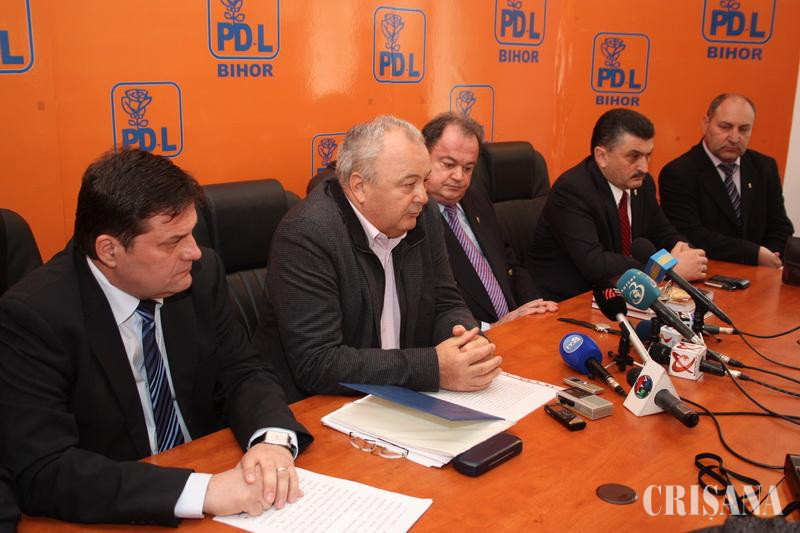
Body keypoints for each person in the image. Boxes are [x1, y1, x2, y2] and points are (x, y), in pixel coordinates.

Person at [0, 149, 312, 526]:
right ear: (109, 250)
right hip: (121, 508)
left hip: (214, 472)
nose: (194, 252)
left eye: (192, 232)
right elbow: (46, 470)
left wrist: (271, 440)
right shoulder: (35, 315)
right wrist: (202, 492)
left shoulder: (201, 275)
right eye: (172, 242)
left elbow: (243, 371)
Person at [255, 115, 501, 396]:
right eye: (409, 184)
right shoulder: (307, 234)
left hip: (405, 391)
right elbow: (318, 362)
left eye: (424, 180)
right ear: (359, 187)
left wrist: (466, 342)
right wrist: (433, 367)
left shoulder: (424, 215)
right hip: (324, 403)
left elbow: (446, 301)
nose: (422, 196)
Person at [526, 108, 708, 302]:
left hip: (621, 296)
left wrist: (684, 251)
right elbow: (595, 264)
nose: (644, 167)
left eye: (648, 155)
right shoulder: (572, 190)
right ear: (602, 157)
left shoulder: (642, 184)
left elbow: (664, 232)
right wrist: (663, 271)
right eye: (633, 156)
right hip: (569, 301)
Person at [421, 112, 557, 328]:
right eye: (448, 164)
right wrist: (492, 328)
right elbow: (429, 305)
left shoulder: (476, 199)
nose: (459, 177)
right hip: (471, 335)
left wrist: (533, 306)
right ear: (422, 156)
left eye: (468, 168)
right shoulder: (413, 219)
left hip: (517, 327)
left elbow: (511, 264)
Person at [659, 94, 794, 267]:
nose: (734, 138)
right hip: (709, 273)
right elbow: (690, 235)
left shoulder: (764, 166)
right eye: (725, 127)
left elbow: (781, 227)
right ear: (706, 124)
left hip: (762, 273)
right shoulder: (679, 172)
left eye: (744, 129)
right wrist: (754, 254)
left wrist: (771, 256)